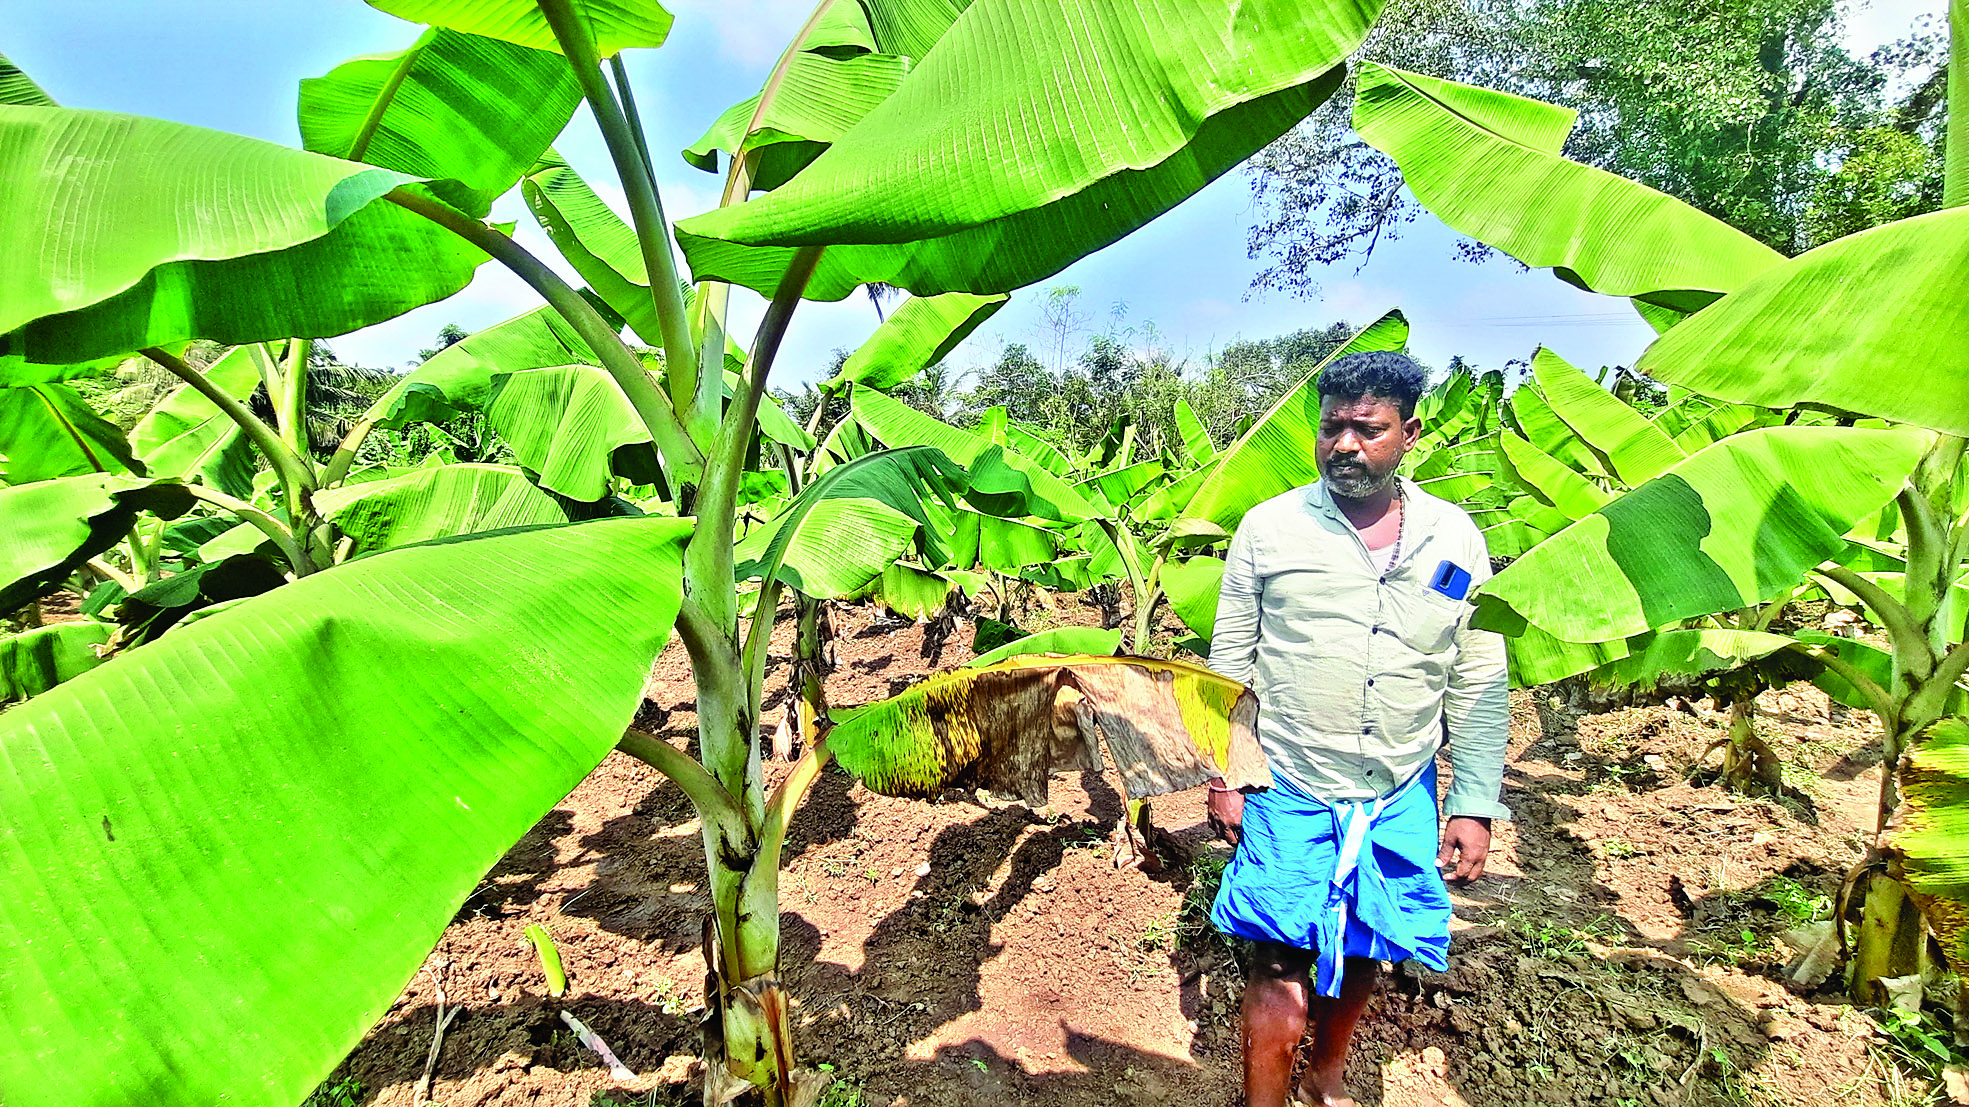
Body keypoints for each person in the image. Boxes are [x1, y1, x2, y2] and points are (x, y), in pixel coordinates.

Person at [1203, 350, 1510, 1107]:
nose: (1345, 444)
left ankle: (1326, 1071)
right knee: (1275, 957)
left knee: (1370, 946)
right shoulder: (1269, 528)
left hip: (1399, 780)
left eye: (1366, 429)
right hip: (1288, 773)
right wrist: (1225, 771)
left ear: (1409, 432)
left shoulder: (1453, 538)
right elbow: (1230, 661)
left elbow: (1476, 672)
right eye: (1331, 426)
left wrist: (1472, 800)